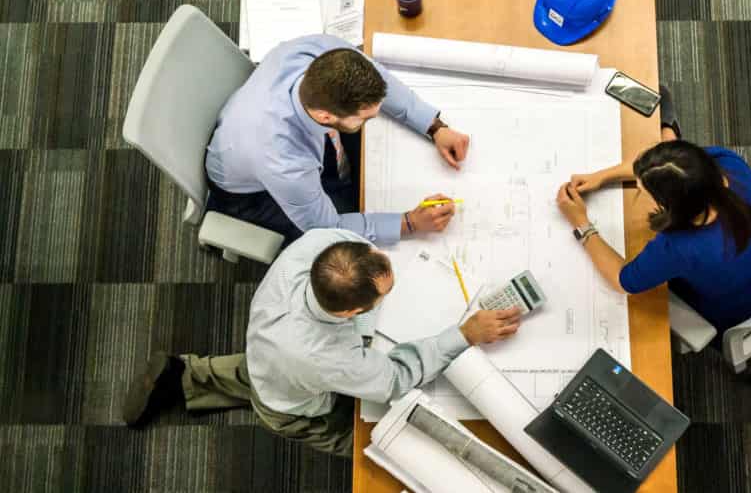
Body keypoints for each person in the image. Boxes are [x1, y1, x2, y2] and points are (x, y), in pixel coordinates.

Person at [122, 229, 521, 457]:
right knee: (374, 442)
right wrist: (464, 334)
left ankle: (184, 375)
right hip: (295, 404)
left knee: (260, 371)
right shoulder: (328, 357)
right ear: (351, 314)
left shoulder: (319, 246)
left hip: (268, 350)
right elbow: (395, 379)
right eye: (385, 295)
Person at [555, 87, 751, 367]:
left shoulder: (678, 248)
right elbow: (677, 164)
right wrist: (601, 177)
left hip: (746, 309)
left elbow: (622, 280)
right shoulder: (727, 166)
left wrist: (581, 223)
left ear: (671, 205)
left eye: (644, 189)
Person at [205, 34, 472, 244]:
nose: (373, 119)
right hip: (250, 195)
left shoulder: (320, 52)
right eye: (365, 118)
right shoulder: (284, 161)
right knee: (345, 224)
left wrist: (434, 126)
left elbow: (378, 78)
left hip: (253, 130)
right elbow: (327, 227)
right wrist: (410, 223)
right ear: (325, 116)